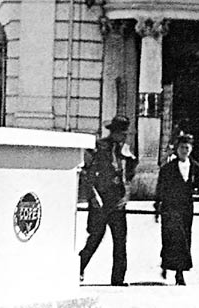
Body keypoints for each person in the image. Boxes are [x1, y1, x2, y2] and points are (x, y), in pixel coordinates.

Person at [78, 115, 138, 286]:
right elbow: (86, 173)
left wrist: (131, 163)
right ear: (114, 132)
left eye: (126, 134)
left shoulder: (125, 149)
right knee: (95, 238)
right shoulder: (99, 147)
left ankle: (118, 279)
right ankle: (77, 269)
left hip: (118, 201)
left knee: (120, 241)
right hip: (101, 199)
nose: (125, 137)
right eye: (122, 133)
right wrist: (92, 195)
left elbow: (128, 175)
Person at [154, 134, 199, 285]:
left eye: (187, 148)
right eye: (182, 147)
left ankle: (179, 271)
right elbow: (160, 187)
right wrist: (157, 205)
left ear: (191, 149)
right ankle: (171, 268)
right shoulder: (168, 168)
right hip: (170, 207)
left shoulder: (195, 166)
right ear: (176, 149)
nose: (184, 150)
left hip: (186, 208)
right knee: (172, 238)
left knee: (184, 238)